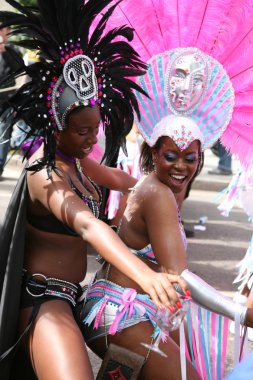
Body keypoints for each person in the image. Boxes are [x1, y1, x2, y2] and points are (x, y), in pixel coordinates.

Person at [0, 1, 188, 379]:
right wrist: (146, 274)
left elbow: (131, 183)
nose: (91, 140)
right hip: (44, 300)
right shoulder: (45, 174)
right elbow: (87, 225)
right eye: (82, 132)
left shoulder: (83, 167)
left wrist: (174, 171)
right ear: (55, 125)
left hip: (74, 299)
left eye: (95, 130)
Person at [81, 48, 253, 380]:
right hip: (122, 314)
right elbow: (179, 276)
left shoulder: (153, 187)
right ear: (153, 152)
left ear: (201, 156)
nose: (181, 167)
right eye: (171, 155)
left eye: (190, 158)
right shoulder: (158, 193)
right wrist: (239, 313)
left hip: (134, 309)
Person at [0, 26, 22, 178]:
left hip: (8, 99)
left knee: (4, 132)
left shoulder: (12, 50)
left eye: (4, 29)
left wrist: (5, 52)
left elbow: (19, 69)